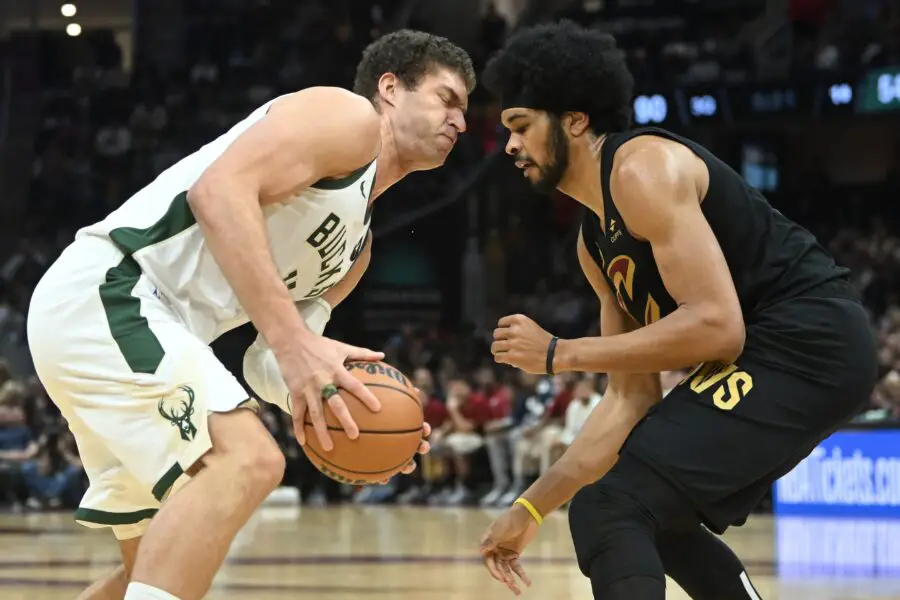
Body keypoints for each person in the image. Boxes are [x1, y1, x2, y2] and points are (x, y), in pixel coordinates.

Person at [26, 30, 474, 600]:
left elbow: (272, 359)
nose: (459, 119)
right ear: (390, 89)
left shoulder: (356, 251)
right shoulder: (347, 118)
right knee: (250, 461)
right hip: (114, 290)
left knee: (147, 569)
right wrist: (293, 345)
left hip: (135, 328)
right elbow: (216, 193)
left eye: (463, 107)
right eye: (446, 98)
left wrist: (351, 414)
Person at [476, 21, 876, 600]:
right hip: (781, 348)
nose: (510, 145)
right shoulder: (595, 244)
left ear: (574, 120)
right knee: (650, 513)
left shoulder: (642, 169)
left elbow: (718, 327)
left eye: (521, 126)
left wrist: (563, 354)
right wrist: (529, 509)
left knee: (611, 506)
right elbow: (628, 400)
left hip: (809, 338)